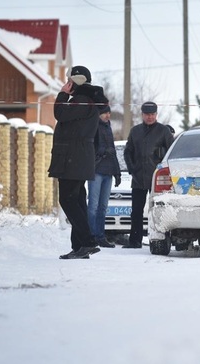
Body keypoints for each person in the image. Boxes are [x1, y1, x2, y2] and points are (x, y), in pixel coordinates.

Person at [49, 65, 107, 259]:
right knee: (78, 201)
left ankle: (88, 242)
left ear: (76, 81)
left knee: (67, 199)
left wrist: (62, 94)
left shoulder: (82, 101)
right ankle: (79, 246)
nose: (67, 84)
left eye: (69, 81)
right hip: (79, 158)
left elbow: (60, 114)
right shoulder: (87, 101)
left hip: (73, 159)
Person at [123, 101, 174, 248]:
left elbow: (171, 153)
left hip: (158, 178)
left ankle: (162, 239)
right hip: (138, 177)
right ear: (142, 115)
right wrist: (132, 169)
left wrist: (163, 170)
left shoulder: (163, 131)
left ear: (156, 115)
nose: (150, 117)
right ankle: (135, 241)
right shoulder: (135, 131)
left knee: (160, 209)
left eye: (152, 114)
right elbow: (128, 152)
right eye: (147, 114)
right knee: (136, 211)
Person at [87, 105, 121, 248]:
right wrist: (102, 151)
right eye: (104, 113)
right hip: (96, 171)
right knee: (93, 206)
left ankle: (100, 236)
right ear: (99, 114)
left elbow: (113, 151)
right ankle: (90, 236)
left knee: (103, 207)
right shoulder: (93, 126)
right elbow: (89, 147)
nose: (107, 115)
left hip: (108, 172)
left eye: (108, 112)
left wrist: (117, 172)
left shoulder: (108, 127)